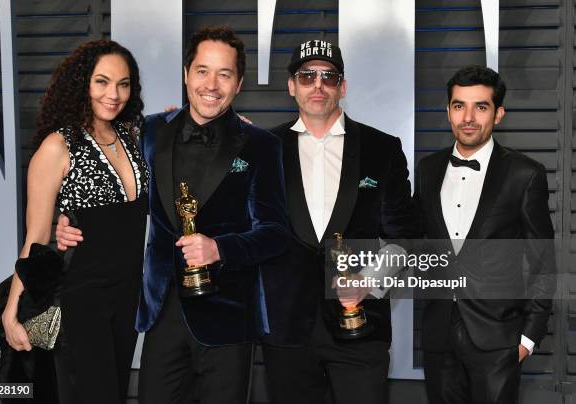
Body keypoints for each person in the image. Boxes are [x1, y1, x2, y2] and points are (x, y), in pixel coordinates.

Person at [56, 26, 288, 404]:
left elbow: (276, 233)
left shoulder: (262, 145)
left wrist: (220, 249)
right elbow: (115, 193)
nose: (211, 84)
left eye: (224, 74)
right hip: (162, 315)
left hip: (228, 319)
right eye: (202, 71)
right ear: (185, 74)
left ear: (239, 83)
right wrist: (73, 223)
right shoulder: (147, 132)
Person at [260, 40, 415, 404]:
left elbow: (406, 237)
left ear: (342, 87)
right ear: (291, 85)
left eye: (328, 77)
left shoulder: (382, 148)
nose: (318, 85)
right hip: (285, 329)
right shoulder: (262, 148)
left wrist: (367, 282)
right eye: (307, 75)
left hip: (360, 327)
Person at [1, 40, 149, 404]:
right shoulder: (58, 147)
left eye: (123, 83)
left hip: (127, 299)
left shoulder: (132, 136)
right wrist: (11, 310)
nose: (113, 94)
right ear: (82, 83)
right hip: (81, 301)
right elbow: (35, 238)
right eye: (102, 81)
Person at [414, 65, 556, 404]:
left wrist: (528, 339)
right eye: (459, 105)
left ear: (499, 113)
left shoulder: (525, 174)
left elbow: (543, 262)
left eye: (481, 106)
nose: (468, 117)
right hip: (438, 335)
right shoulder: (428, 169)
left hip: (498, 340)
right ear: (448, 111)